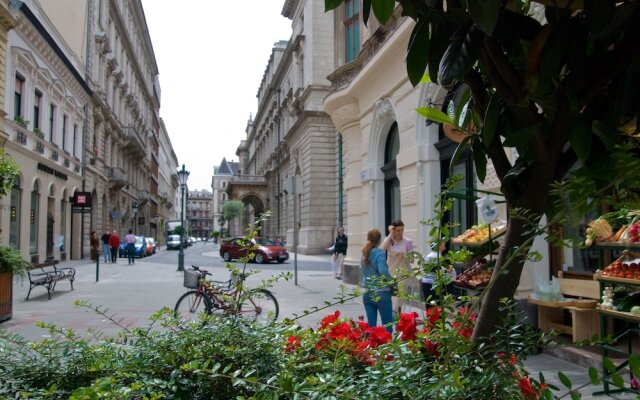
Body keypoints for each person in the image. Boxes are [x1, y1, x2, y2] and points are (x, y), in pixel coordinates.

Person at [360, 228, 394, 333]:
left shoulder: (364, 254)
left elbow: (364, 272)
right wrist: (392, 281)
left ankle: (372, 347)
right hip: (382, 292)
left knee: (371, 327)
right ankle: (387, 347)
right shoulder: (380, 253)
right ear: (379, 240)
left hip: (367, 292)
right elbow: (383, 271)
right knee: (387, 325)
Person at [381, 219, 416, 314]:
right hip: (390, 272)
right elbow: (382, 249)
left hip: (403, 273)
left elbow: (412, 260)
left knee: (400, 296)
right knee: (390, 296)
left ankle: (396, 315)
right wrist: (390, 234)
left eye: (402, 230)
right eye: (398, 230)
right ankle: (393, 314)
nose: (400, 232)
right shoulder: (389, 240)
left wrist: (405, 255)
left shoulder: (407, 242)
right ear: (393, 230)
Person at [421, 242, 457, 310]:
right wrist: (451, 266)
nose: (445, 247)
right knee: (437, 306)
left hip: (425, 282)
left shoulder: (429, 255)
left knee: (429, 305)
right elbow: (449, 269)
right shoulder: (437, 256)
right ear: (439, 245)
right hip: (434, 284)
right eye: (443, 244)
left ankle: (430, 320)